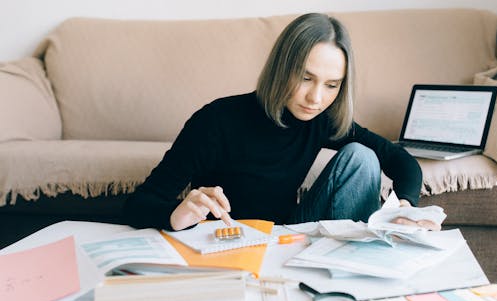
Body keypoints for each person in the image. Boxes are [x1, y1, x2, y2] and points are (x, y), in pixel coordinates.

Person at [122, 13, 440, 232]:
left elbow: (401, 161)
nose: (315, 98)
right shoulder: (215, 121)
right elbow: (140, 204)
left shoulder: (322, 119)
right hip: (224, 240)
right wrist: (178, 214)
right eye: (305, 78)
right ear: (281, 67)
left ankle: (351, 270)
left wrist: (406, 208)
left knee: (362, 157)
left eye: (331, 85)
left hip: (288, 235)